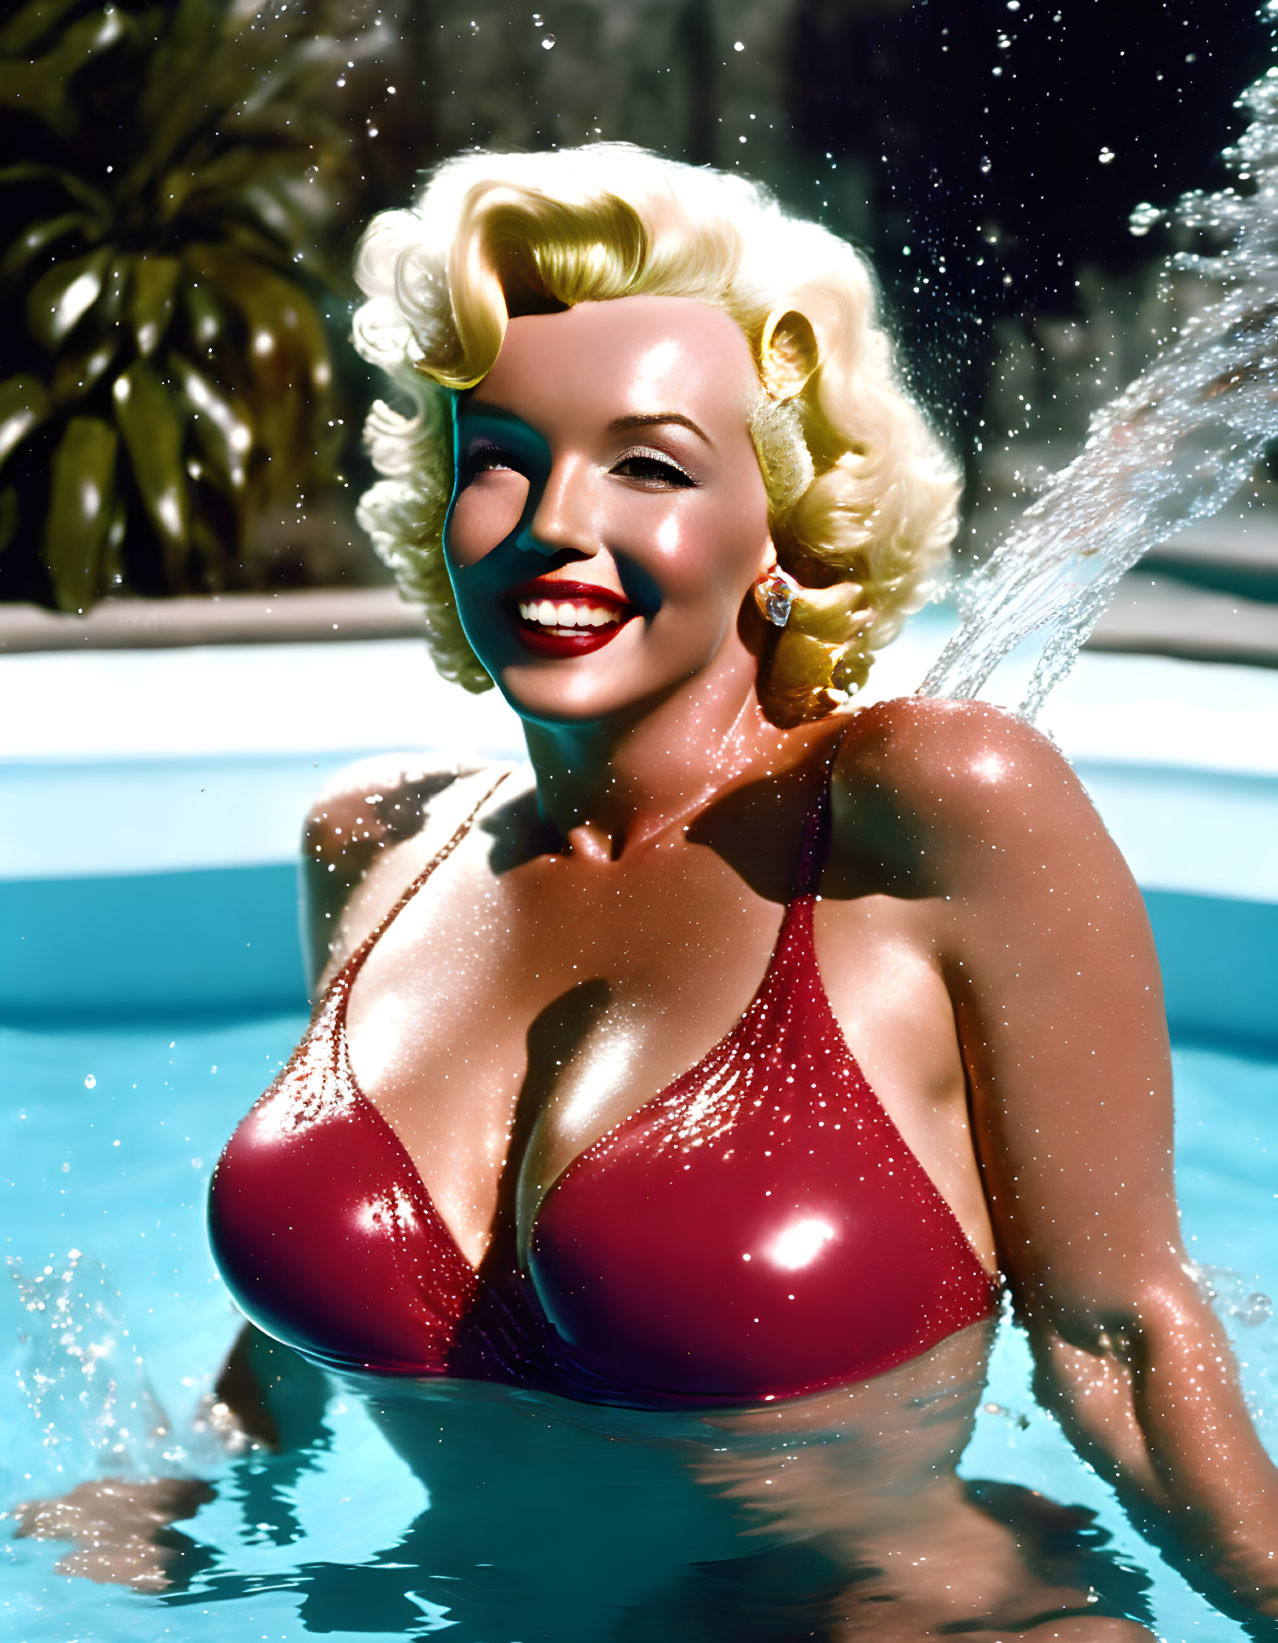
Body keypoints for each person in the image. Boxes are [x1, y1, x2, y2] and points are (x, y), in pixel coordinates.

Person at [20, 145, 1278, 1639]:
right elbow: (311, 1321)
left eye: (650, 465)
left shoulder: (920, 814)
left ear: (782, 529)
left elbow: (1120, 1340)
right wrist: (210, 1486)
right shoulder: (378, 842)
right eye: (500, 455)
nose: (557, 521)